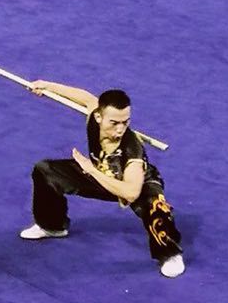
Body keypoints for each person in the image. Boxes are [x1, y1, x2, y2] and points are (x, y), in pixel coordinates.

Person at [20, 80, 185, 278]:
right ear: (99, 117)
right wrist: (47, 86)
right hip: (99, 172)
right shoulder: (93, 117)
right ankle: (52, 225)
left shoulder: (132, 148)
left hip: (135, 183)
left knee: (155, 207)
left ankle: (170, 254)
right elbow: (86, 98)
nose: (120, 129)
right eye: (114, 123)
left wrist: (91, 171)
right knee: (45, 170)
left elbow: (131, 193)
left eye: (125, 122)